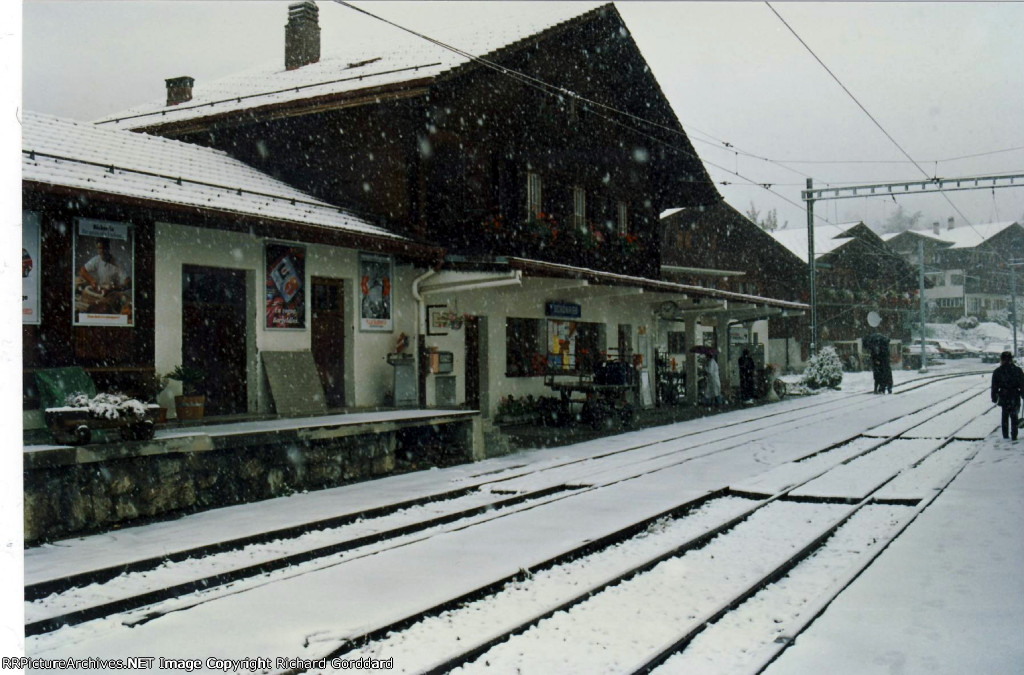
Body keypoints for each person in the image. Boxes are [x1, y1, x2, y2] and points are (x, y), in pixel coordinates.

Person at [991, 351, 1024, 441]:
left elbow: (994, 386)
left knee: (1004, 415)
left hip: (1004, 396)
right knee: (1014, 416)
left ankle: (1005, 435)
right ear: (1011, 359)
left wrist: (994, 397)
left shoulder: (998, 371)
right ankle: (1014, 435)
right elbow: (1022, 385)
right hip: (1015, 395)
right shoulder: (1018, 370)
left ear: (1002, 359)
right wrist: (1023, 394)